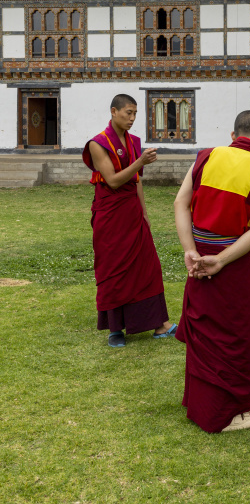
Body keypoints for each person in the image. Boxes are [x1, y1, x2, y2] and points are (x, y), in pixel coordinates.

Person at [174, 110, 250, 433]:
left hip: (199, 255)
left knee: (207, 331)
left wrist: (190, 249)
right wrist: (221, 260)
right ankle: (227, 412)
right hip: (233, 261)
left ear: (233, 135)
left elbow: (180, 204)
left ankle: (199, 403)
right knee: (236, 332)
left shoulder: (207, 156)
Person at [82, 94, 177, 348]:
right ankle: (115, 329)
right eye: (128, 113)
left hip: (132, 211)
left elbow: (136, 180)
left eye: (135, 113)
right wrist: (140, 161)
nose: (132, 118)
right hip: (110, 214)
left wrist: (144, 213)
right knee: (113, 268)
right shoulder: (98, 143)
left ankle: (160, 324)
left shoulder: (133, 141)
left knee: (147, 265)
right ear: (113, 111)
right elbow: (113, 180)